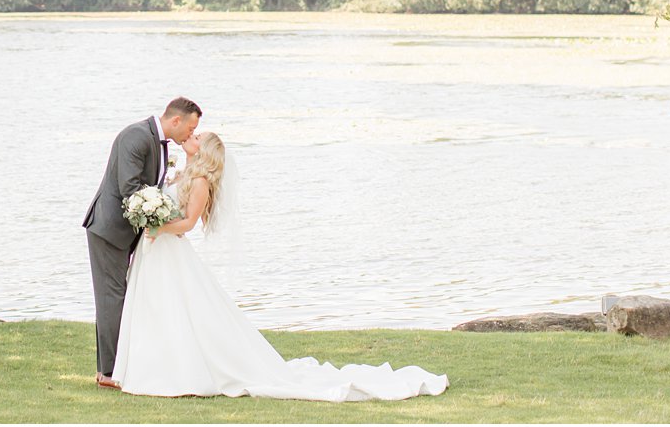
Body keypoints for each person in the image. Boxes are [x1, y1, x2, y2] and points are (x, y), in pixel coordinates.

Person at [112, 131, 449, 402]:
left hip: (169, 248)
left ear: (207, 151)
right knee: (156, 308)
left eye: (199, 137)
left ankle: (176, 371)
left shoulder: (200, 184)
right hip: (156, 251)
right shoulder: (184, 172)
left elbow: (186, 224)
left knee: (177, 310)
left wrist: (156, 226)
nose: (193, 136)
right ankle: (149, 367)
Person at [82, 97, 202, 389]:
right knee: (112, 297)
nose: (191, 133)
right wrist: (163, 218)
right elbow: (131, 190)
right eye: (191, 127)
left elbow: (152, 187)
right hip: (109, 229)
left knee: (121, 296)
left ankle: (114, 367)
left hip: (129, 231)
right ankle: (109, 373)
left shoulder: (160, 145)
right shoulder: (136, 136)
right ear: (176, 121)